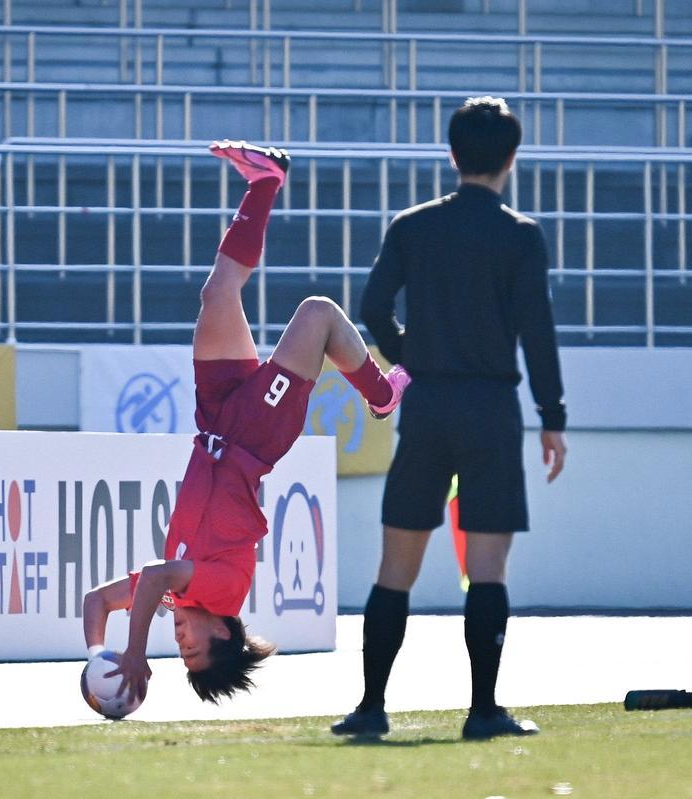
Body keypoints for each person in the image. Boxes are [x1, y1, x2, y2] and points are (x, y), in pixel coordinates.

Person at [83, 139, 412, 705]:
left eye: (176, 650)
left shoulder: (174, 598)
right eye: (192, 649)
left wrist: (98, 659)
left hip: (213, 422)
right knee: (319, 315)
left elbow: (95, 600)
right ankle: (381, 396)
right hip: (253, 437)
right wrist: (132, 652)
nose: (179, 640)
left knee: (217, 292)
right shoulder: (222, 593)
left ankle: (266, 180)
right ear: (224, 634)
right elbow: (158, 576)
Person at [331, 96, 568, 740]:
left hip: (428, 406)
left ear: (452, 154)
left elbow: (374, 308)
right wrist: (553, 414)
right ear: (511, 159)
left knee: (395, 566)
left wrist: (414, 352)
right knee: (487, 567)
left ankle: (371, 707)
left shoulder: (411, 227)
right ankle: (484, 712)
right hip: (491, 408)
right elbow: (537, 331)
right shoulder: (520, 235)